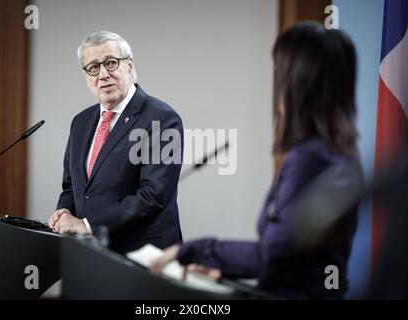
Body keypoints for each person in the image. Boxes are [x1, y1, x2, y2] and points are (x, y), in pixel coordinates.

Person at [151, 22, 362, 299]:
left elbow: (275, 255)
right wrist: (224, 270)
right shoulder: (341, 152)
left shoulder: (310, 158)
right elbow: (297, 259)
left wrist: (189, 250)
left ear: (298, 85)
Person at [48, 31, 183, 254]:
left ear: (129, 65)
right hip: (89, 252)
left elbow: (153, 196)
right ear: (86, 75)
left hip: (142, 256)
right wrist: (64, 212)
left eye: (110, 63)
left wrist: (86, 225)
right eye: (93, 67)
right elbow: (72, 186)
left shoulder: (162, 118)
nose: (103, 75)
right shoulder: (81, 122)